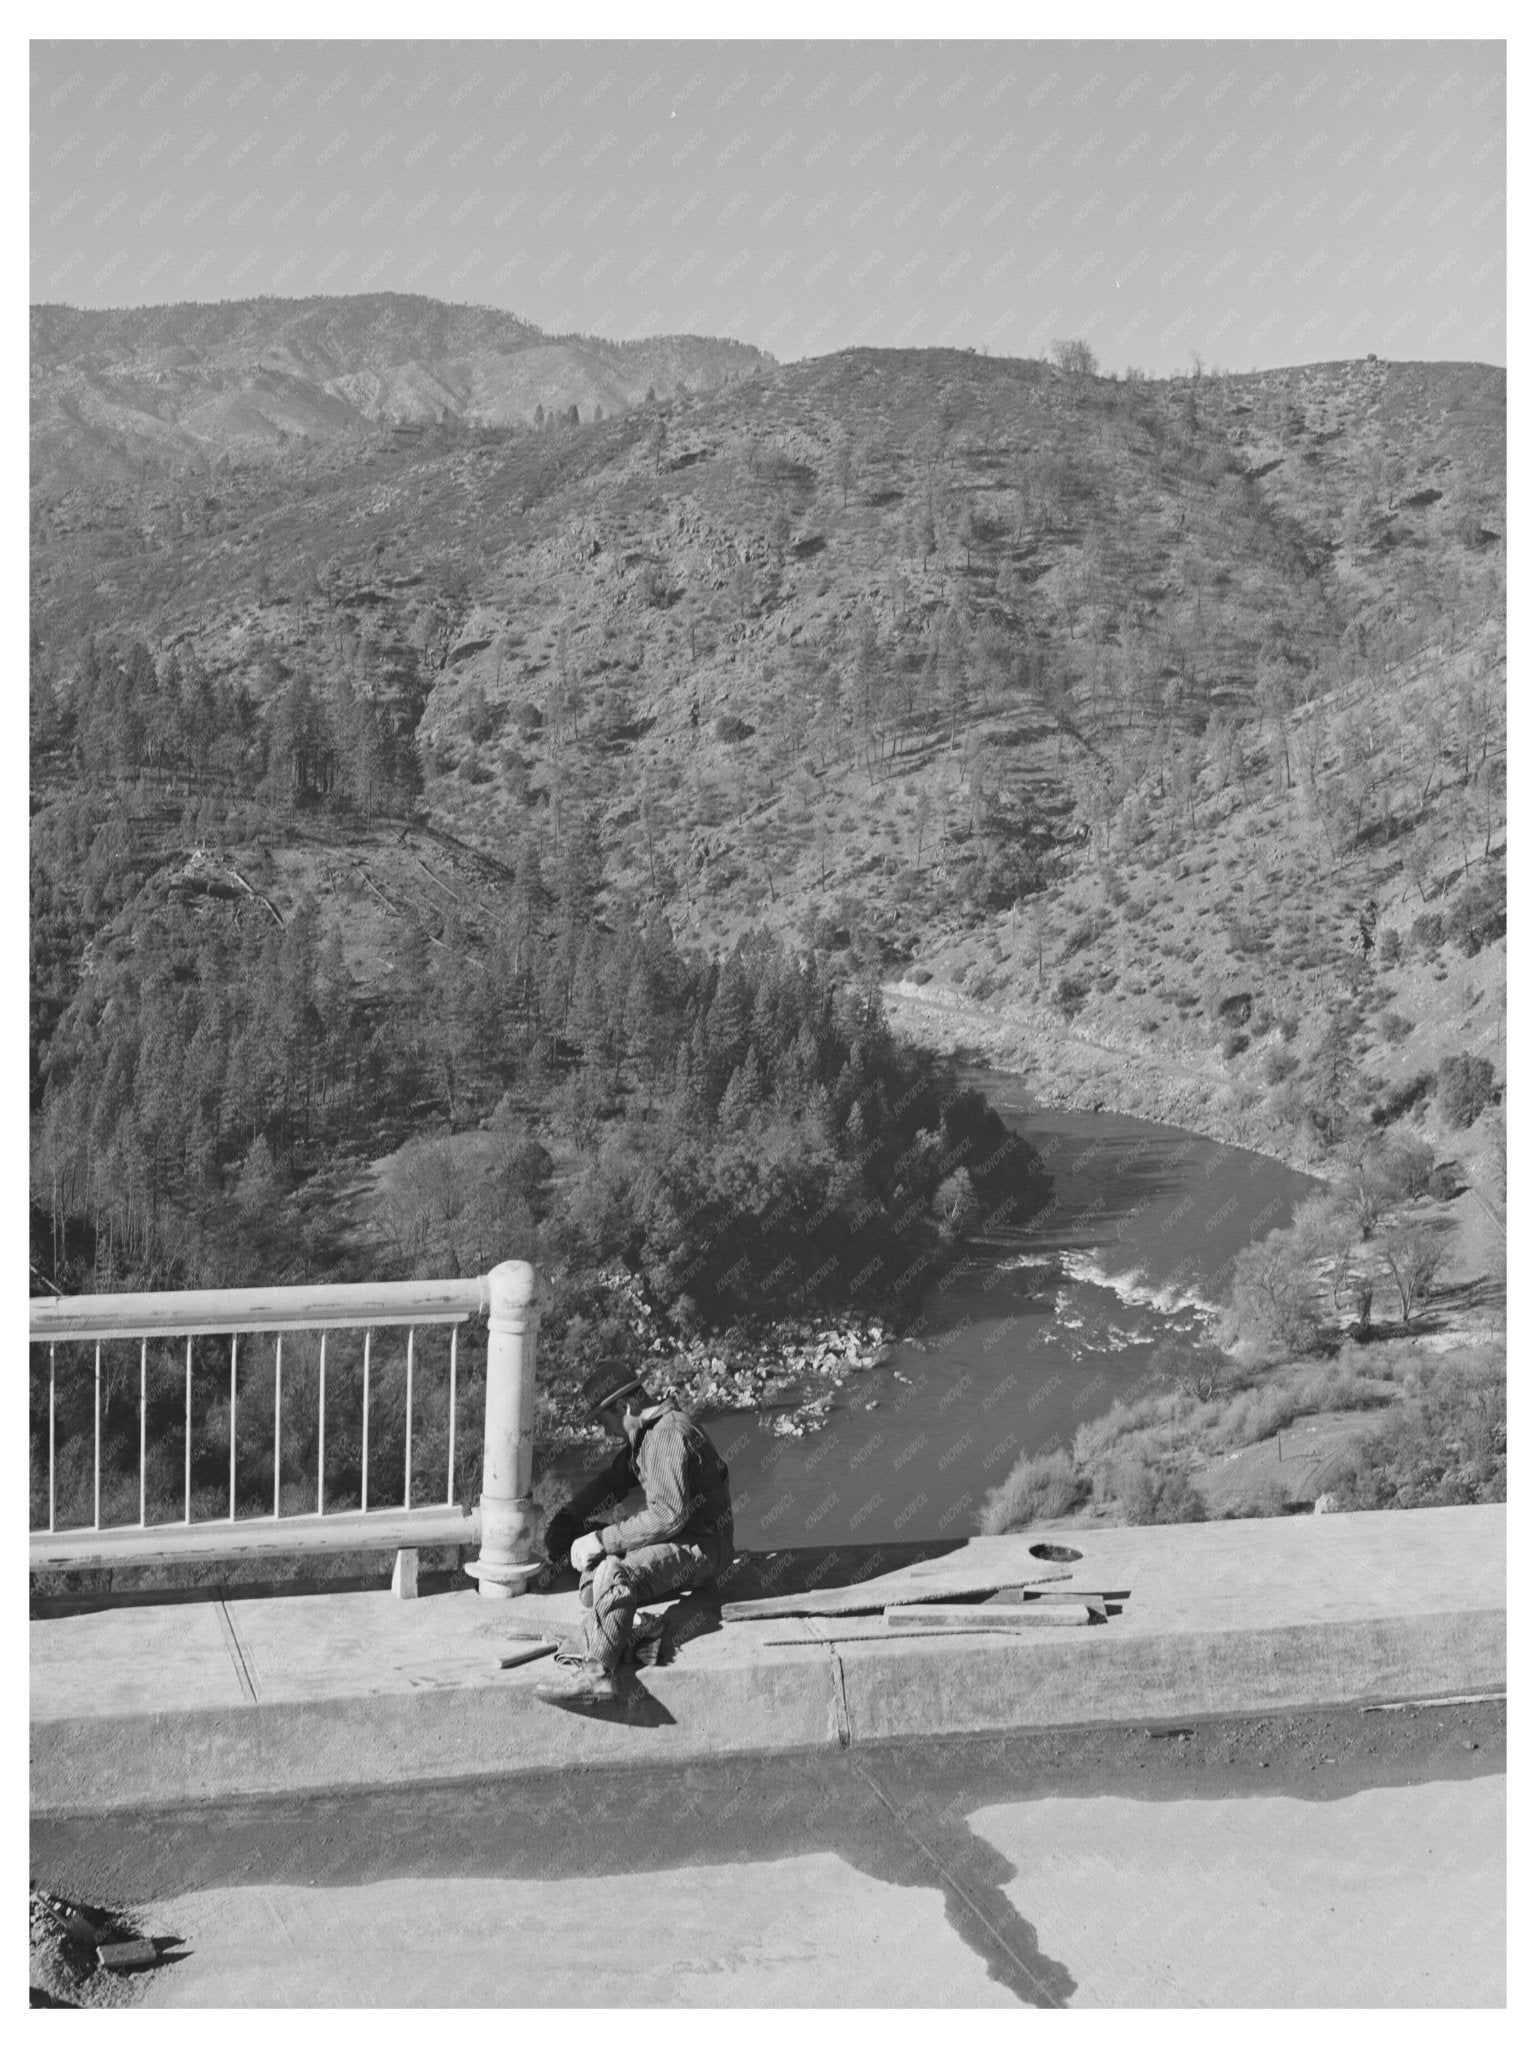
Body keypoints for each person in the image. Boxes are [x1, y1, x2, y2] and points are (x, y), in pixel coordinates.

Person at [535, 1358, 734, 1706]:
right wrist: (570, 1519)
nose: (604, 1429)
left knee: (612, 1573)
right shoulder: (645, 1437)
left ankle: (597, 1673)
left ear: (626, 1405)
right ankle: (640, 1623)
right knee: (592, 1581)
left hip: (699, 1548)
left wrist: (601, 1540)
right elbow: (612, 1483)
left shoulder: (669, 1435)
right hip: (677, 1539)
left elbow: (668, 1516)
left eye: (605, 1420)